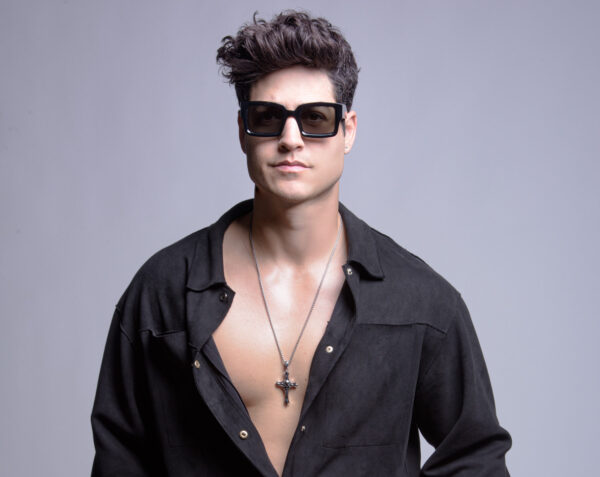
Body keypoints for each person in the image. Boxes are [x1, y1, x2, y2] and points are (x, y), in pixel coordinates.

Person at [91, 10, 511, 477]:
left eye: (314, 118)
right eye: (268, 118)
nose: (291, 139)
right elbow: (119, 460)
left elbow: (476, 457)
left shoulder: (420, 300)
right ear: (242, 130)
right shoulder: (163, 291)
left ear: (348, 130)